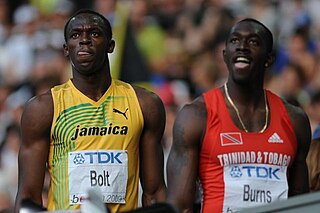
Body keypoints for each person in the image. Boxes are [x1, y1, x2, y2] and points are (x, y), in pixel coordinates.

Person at [14, 9, 166, 213]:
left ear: (111, 45)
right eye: (76, 35)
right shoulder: (43, 108)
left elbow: (154, 192)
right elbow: (27, 196)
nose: (84, 40)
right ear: (66, 49)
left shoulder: (145, 103)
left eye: (94, 33)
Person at [166, 18, 311, 213]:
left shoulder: (295, 120)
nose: (242, 47)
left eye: (253, 41)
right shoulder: (197, 115)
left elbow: (300, 203)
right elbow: (180, 207)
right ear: (225, 56)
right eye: (235, 40)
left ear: (269, 59)